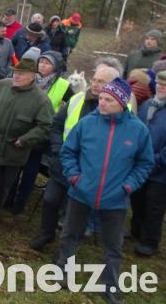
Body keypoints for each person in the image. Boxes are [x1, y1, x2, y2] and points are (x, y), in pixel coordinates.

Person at [56, 78, 154, 304]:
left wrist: (128, 186)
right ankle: (62, 271)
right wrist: (74, 177)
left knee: (113, 245)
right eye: (100, 98)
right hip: (80, 193)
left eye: (108, 100)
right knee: (70, 235)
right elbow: (68, 152)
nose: (101, 103)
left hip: (116, 199)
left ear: (121, 102)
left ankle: (109, 285)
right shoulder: (87, 123)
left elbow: (145, 163)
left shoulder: (138, 130)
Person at [30, 63, 122, 251]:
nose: (95, 84)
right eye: (94, 79)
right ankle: (46, 234)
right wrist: (57, 148)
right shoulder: (77, 99)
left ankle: (65, 250)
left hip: (90, 172)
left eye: (101, 82)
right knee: (50, 200)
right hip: (63, 163)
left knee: (74, 212)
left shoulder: (120, 109)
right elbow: (57, 125)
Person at [0, 58, 53, 231]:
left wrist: (25, 139)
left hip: (15, 149)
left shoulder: (41, 100)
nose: (17, 76)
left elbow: (46, 126)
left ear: (33, 76)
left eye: (22, 74)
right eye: (15, 72)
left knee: (5, 184)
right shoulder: (1, 85)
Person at [5, 50, 73, 214]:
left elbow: (71, 108)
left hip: (41, 134)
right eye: (41, 61)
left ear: (56, 67)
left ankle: (20, 203)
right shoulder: (29, 78)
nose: (42, 65)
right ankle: (8, 198)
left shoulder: (64, 86)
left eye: (47, 63)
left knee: (30, 170)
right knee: (14, 167)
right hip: (21, 128)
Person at [131, 70, 166, 256]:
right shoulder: (148, 104)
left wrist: (149, 164)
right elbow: (136, 130)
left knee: (154, 206)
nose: (160, 86)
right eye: (159, 83)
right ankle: (135, 232)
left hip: (163, 173)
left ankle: (150, 242)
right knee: (137, 200)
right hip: (141, 166)